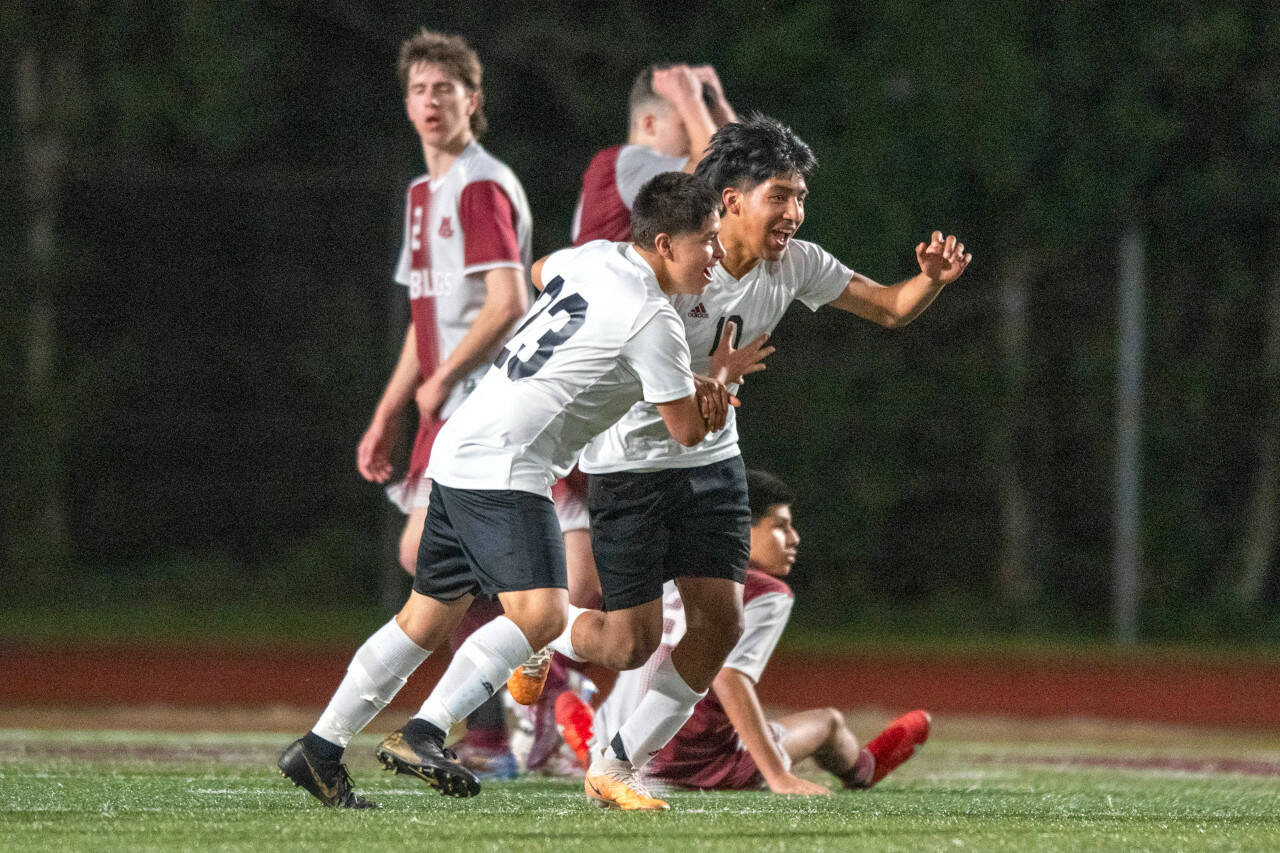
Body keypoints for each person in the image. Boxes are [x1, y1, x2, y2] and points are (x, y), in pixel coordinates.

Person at [517, 114, 971, 811]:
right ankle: (544, 628)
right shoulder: (664, 258)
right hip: (630, 466)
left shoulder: (795, 263)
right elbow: (548, 271)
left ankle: (617, 762)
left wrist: (930, 280)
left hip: (712, 461)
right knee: (629, 643)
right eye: (780, 196)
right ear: (729, 200)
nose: (794, 212)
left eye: (799, 197)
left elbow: (887, 307)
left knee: (721, 622)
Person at [278, 171, 763, 809]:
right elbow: (685, 433)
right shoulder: (653, 318)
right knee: (541, 615)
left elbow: (541, 270)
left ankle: (320, 746)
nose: (717, 255)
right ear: (666, 243)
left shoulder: (595, 258)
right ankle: (424, 732)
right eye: (707, 240)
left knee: (425, 618)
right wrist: (721, 377)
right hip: (509, 465)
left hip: (463, 443)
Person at [556, 470, 931, 794]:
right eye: (780, 526)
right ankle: (862, 769)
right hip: (685, 765)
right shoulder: (766, 592)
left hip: (614, 743)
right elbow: (729, 678)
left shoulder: (673, 563)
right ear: (739, 527)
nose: (794, 538)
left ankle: (592, 741)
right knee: (829, 723)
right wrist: (779, 776)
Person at [572, 63, 737, 245]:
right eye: (686, 124)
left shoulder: (628, 165)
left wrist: (719, 104)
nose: (695, 137)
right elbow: (716, 168)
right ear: (650, 124)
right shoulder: (628, 162)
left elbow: (745, 170)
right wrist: (688, 100)